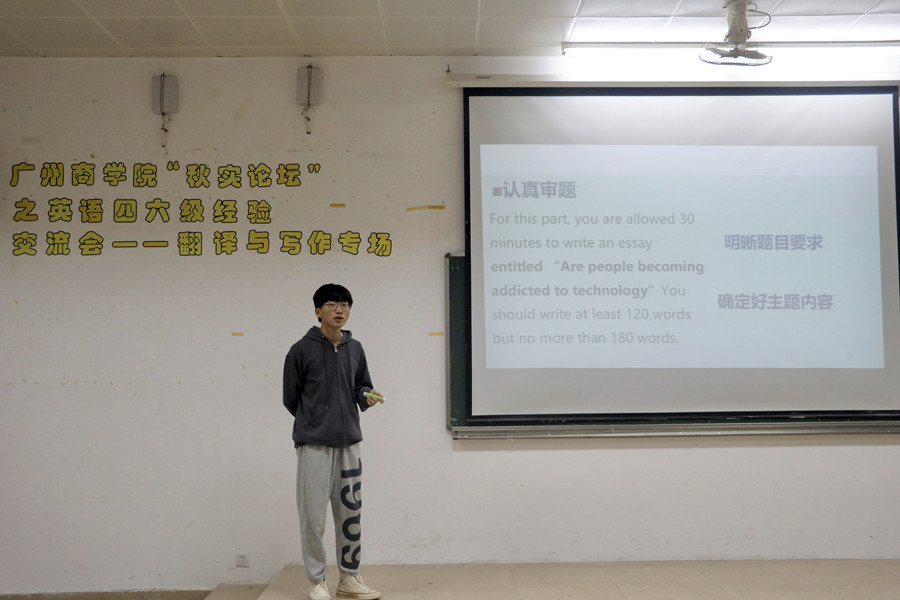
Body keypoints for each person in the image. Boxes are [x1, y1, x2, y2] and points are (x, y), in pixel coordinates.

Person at [283, 283, 384, 600]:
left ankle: (349, 578)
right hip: (314, 444)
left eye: (344, 305)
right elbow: (291, 398)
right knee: (313, 518)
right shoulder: (300, 350)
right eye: (331, 304)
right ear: (317, 311)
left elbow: (360, 386)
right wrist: (317, 418)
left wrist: (365, 397)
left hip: (349, 442)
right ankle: (316, 581)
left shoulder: (355, 348)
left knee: (350, 514)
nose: (339, 310)